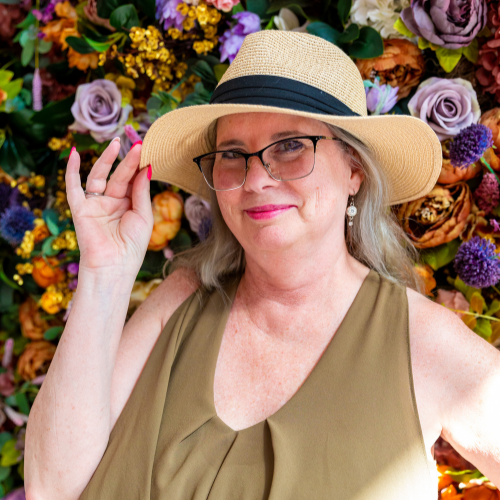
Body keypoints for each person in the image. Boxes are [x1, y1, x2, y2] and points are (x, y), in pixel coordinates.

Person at [24, 30, 500, 500]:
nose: (255, 179)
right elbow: (50, 488)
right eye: (232, 154)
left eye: (291, 145)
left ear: (354, 169)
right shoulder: (179, 304)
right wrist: (104, 275)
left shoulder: (421, 342)